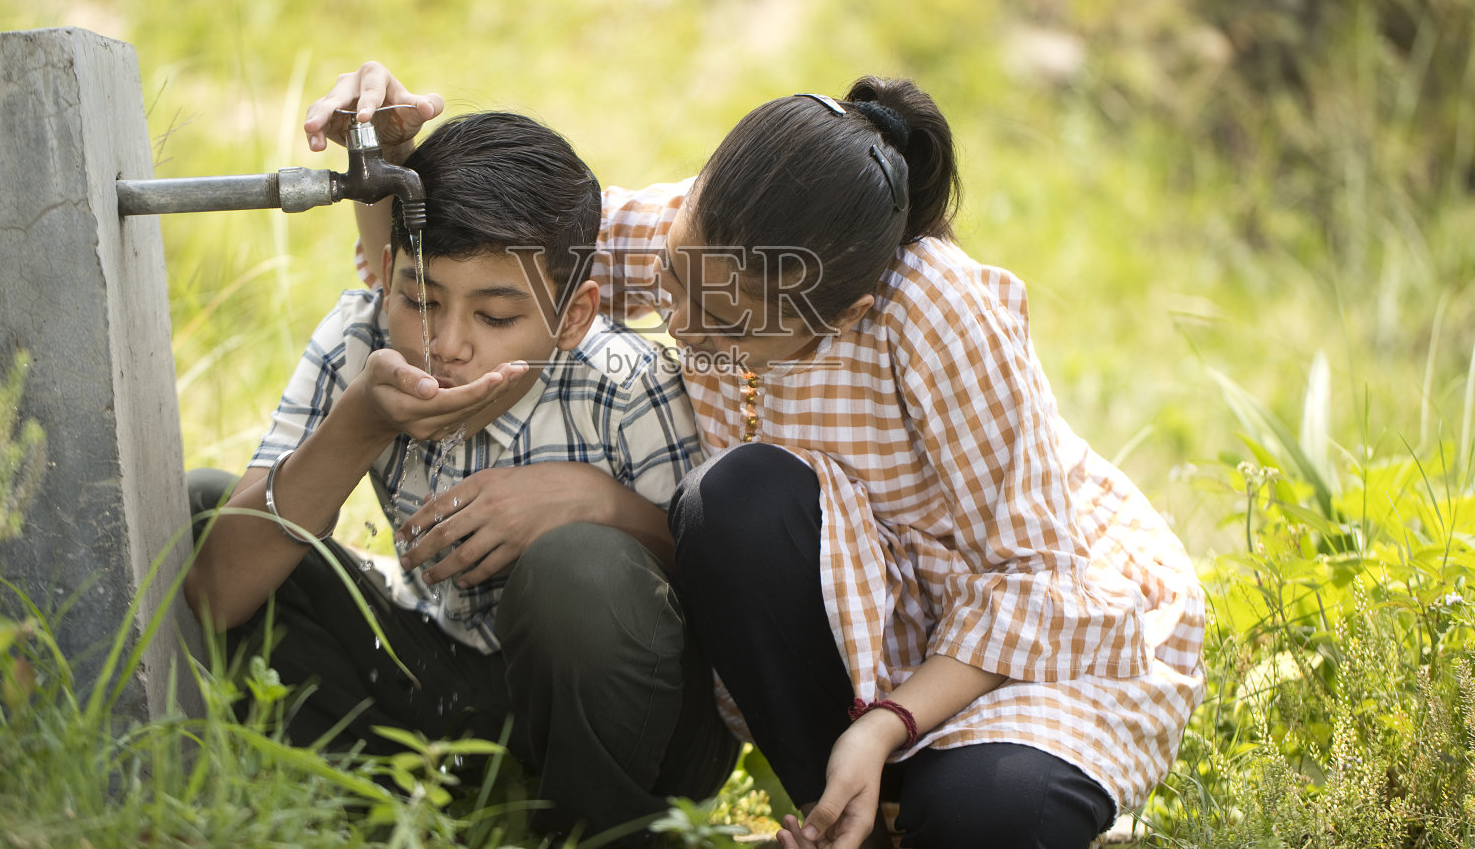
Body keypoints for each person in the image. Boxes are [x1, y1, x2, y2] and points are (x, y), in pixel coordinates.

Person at [309, 65, 1207, 849]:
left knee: (990, 818)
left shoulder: (934, 311)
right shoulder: (696, 243)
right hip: (850, 635)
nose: (688, 326)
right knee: (734, 498)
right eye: (673, 284)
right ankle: (854, 813)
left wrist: (886, 725)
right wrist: (385, 157)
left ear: (843, 315)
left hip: (1009, 647)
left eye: (732, 324)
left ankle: (895, 791)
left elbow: (1035, 580)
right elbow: (475, 251)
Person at [183, 110, 738, 841]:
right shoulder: (360, 343)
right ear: (385, 274)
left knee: (579, 566)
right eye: (420, 300)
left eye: (496, 315)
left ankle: (592, 831)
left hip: (637, 726)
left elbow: (718, 608)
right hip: (448, 681)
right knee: (207, 508)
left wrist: (595, 503)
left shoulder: (622, 384)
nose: (447, 346)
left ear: (573, 318)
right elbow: (218, 590)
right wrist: (360, 424)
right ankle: (397, 806)